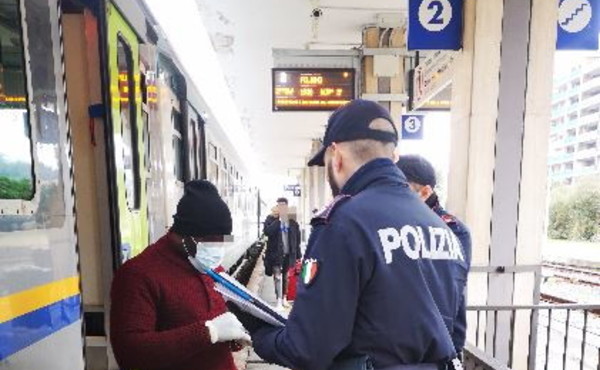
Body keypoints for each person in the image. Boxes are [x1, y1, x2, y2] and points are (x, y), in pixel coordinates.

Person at [232, 99, 466, 370]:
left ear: (336, 155)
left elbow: (307, 349)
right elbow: (455, 333)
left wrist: (256, 330)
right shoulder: (442, 229)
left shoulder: (343, 223)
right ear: (394, 157)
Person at [110, 180, 251, 370]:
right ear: (186, 236)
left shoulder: (210, 268)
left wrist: (232, 337)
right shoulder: (138, 275)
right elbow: (130, 352)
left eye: (222, 240)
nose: (217, 248)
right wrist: (209, 332)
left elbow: (215, 323)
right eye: (211, 240)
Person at [396, 154, 472, 358]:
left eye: (401, 189)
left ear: (425, 192)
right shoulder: (392, 222)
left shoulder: (454, 230)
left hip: (437, 346)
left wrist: (455, 348)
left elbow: (455, 291)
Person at [263, 197, 302, 309]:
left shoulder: (292, 222)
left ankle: (284, 298)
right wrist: (278, 221)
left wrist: (298, 255)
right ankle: (279, 300)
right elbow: (267, 232)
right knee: (277, 276)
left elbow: (297, 239)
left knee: (285, 277)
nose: (282, 208)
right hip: (275, 254)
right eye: (280, 205)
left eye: (284, 205)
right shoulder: (271, 219)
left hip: (288, 254)